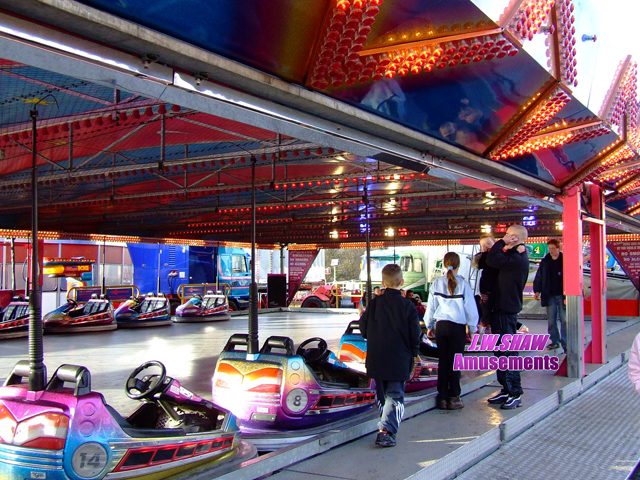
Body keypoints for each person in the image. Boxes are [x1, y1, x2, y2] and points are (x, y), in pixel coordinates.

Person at [359, 264, 421, 447]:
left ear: (382, 283)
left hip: (377, 359)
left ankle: (384, 426)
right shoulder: (408, 307)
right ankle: (386, 431)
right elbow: (414, 334)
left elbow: (363, 328)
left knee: (382, 395)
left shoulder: (374, 304)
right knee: (395, 395)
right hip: (399, 360)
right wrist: (415, 354)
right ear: (402, 282)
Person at [425, 252, 479, 410]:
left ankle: (442, 398)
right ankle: (454, 397)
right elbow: (470, 309)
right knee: (456, 362)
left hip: (441, 326)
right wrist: (473, 329)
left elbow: (431, 308)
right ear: (458, 265)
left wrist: (430, 326)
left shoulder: (436, 283)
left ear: (444, 264)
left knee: (443, 362)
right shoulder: (463, 284)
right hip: (457, 328)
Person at [486, 224, 529, 410]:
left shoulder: (518, 259)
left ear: (515, 239)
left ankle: (515, 392)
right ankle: (506, 388)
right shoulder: (514, 256)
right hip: (501, 308)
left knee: (508, 352)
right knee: (500, 352)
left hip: (507, 309)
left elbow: (493, 259)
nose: (504, 236)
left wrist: (501, 243)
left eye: (508, 235)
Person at [533, 239, 566, 351]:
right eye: (550, 248)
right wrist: (537, 290)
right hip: (550, 294)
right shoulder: (545, 262)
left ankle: (565, 341)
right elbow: (539, 277)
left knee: (564, 319)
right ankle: (555, 341)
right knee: (551, 319)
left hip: (562, 295)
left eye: (553, 248)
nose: (551, 251)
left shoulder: (564, 260)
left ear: (558, 248)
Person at [472, 234, 499, 332]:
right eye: (483, 245)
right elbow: (479, 265)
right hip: (486, 291)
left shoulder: (499, 257)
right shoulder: (483, 259)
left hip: (498, 292)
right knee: (486, 312)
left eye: (488, 243)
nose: (486, 246)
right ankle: (484, 329)